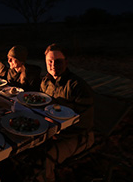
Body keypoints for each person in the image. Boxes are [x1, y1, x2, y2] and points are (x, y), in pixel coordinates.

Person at [40, 43, 95, 182]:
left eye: (57, 61)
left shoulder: (77, 86)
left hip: (79, 135)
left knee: (46, 158)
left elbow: (85, 121)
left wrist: (58, 133)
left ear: (66, 62)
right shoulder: (46, 81)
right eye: (49, 61)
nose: (53, 65)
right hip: (52, 129)